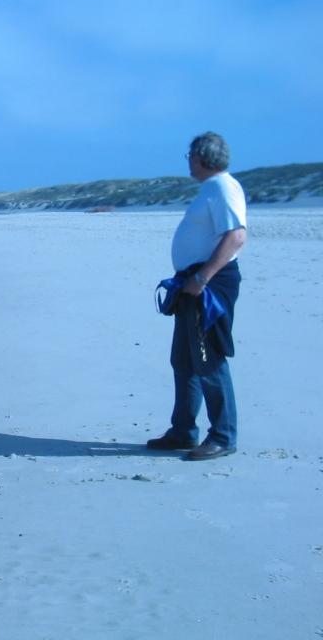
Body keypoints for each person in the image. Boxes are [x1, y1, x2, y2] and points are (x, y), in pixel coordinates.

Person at [147, 132, 248, 461]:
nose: (188, 161)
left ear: (203, 157)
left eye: (190, 155)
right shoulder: (211, 189)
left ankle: (223, 435)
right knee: (185, 360)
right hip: (192, 282)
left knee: (209, 359)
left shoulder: (222, 187)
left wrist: (203, 277)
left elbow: (236, 237)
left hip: (209, 285)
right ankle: (183, 430)